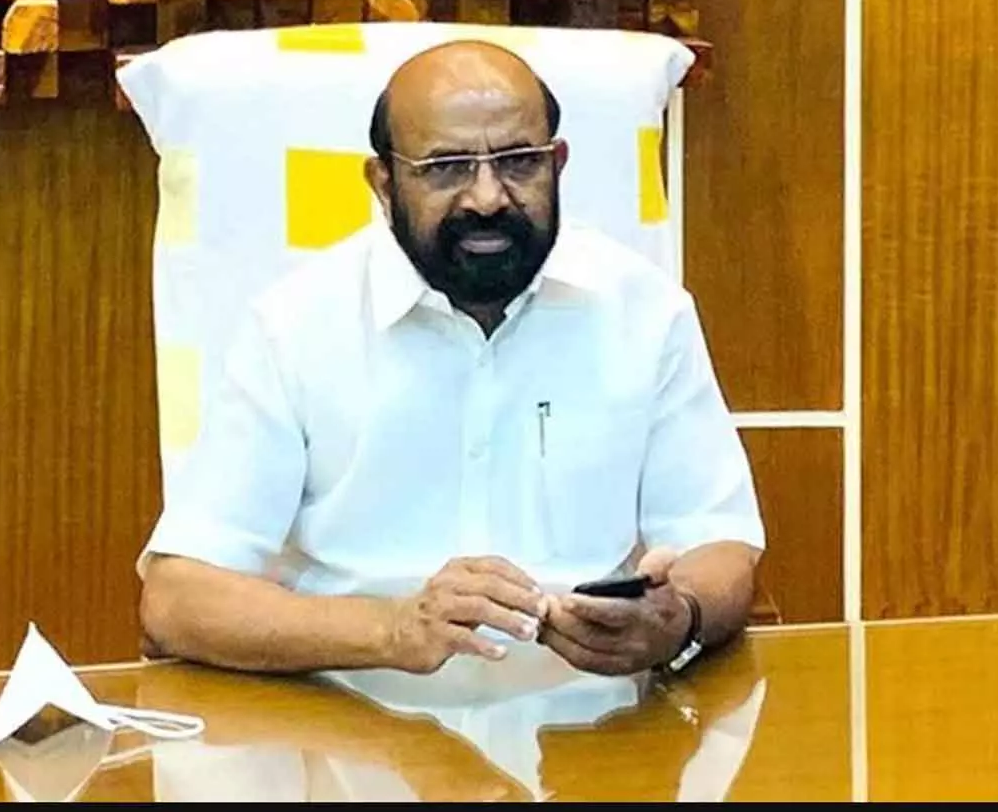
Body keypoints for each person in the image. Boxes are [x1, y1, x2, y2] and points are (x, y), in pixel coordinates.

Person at [137, 39, 766, 678]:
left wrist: (679, 615)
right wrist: (390, 631)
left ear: (558, 164)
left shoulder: (646, 313)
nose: (487, 198)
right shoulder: (295, 326)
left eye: (519, 163)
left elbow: (721, 544)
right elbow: (177, 598)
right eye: (445, 168)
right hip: (354, 715)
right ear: (383, 183)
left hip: (597, 717)